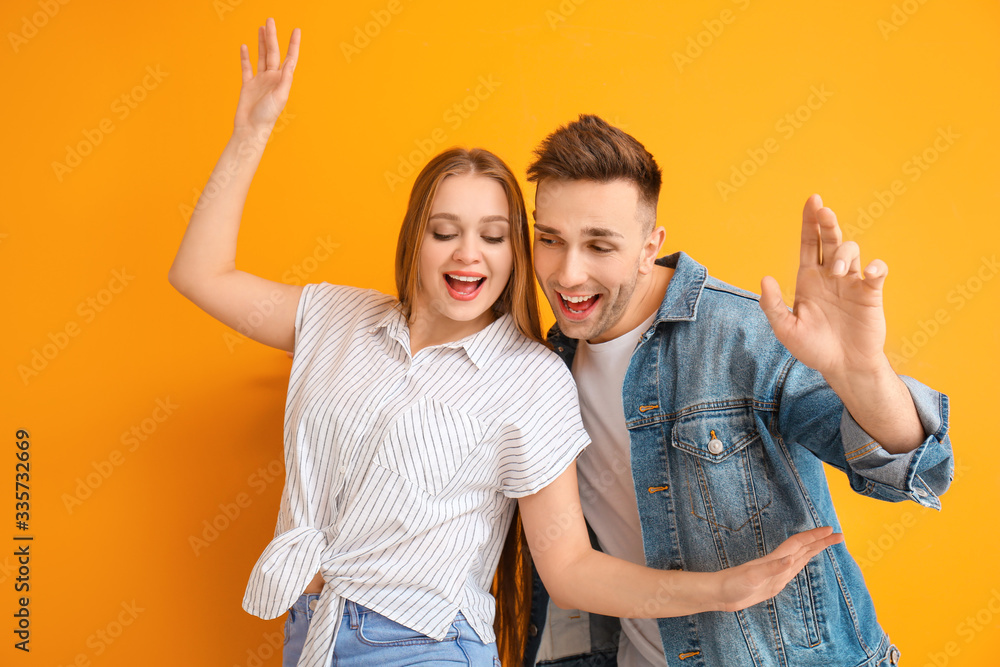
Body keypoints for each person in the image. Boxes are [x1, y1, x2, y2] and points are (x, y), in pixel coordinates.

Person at [168, 19, 844, 667]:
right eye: (445, 230)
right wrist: (250, 135)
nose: (469, 254)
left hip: (422, 645)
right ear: (416, 238)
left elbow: (571, 567)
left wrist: (722, 590)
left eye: (494, 235)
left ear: (516, 250)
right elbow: (199, 275)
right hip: (308, 629)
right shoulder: (338, 318)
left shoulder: (530, 377)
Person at [523, 115, 954, 667]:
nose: (568, 273)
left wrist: (862, 371)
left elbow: (911, 471)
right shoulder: (542, 369)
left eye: (600, 246)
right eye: (550, 239)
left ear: (649, 246)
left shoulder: (744, 334)